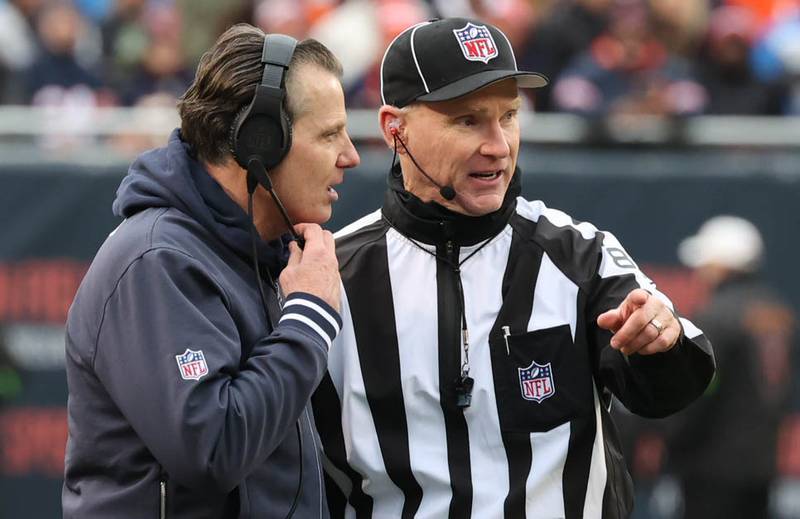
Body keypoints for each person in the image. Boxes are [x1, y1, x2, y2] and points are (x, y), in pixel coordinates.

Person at [312, 17, 715, 518]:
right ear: (395, 129)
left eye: (508, 116)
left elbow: (674, 385)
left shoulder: (577, 254)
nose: (498, 145)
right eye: (468, 120)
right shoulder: (330, 274)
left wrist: (661, 342)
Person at [62, 23, 360, 518]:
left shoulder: (267, 255)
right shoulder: (157, 262)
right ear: (258, 142)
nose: (350, 155)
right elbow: (213, 449)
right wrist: (307, 320)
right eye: (329, 134)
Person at [667, 215, 794, 519]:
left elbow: (699, 390)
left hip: (712, 468)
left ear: (723, 264)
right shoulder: (780, 314)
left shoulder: (716, 317)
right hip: (762, 465)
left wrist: (671, 438)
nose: (699, 271)